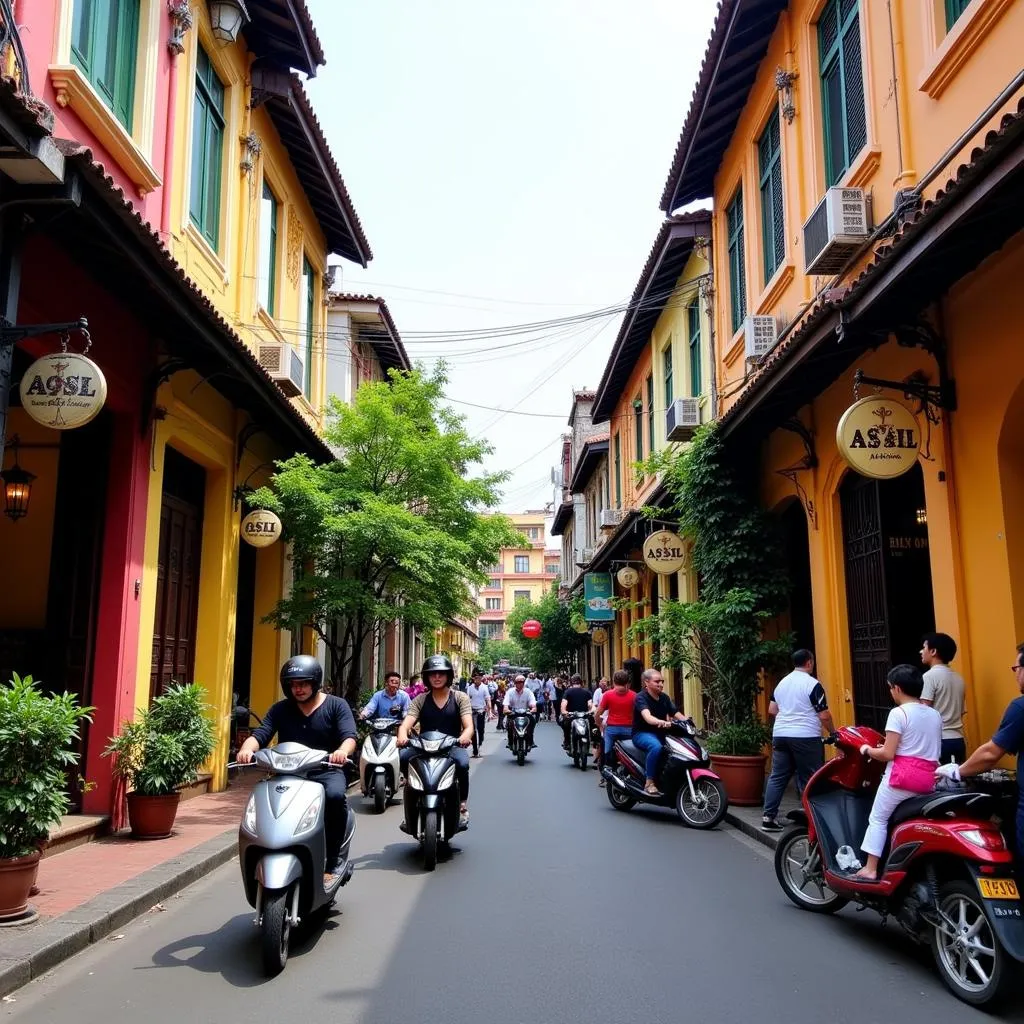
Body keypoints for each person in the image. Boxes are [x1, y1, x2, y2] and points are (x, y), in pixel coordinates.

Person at [238, 656, 357, 886]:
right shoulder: (281, 709)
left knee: (334, 796)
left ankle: (333, 860)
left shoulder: (336, 705)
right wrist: (246, 748)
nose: (298, 689)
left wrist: (342, 752)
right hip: (287, 773)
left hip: (325, 770)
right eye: (293, 684)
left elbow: (349, 737)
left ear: (315, 682)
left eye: (303, 683)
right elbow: (262, 733)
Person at [938, 642, 1024, 861]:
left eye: (1016, 669)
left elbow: (991, 753)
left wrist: (959, 771)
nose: (1015, 675)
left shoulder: (1020, 707)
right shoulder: (957, 678)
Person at [855, 664, 942, 880]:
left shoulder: (898, 713)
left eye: (890, 688)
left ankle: (870, 868)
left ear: (897, 688)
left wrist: (867, 749)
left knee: (878, 818)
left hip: (901, 779)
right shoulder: (934, 714)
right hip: (929, 780)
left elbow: (888, 753)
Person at [761, 650, 835, 832]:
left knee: (777, 776)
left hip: (781, 734)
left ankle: (768, 817)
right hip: (806, 736)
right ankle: (813, 819)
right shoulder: (812, 684)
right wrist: (834, 732)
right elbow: (824, 715)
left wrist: (788, 718)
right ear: (809, 663)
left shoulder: (781, 684)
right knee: (810, 777)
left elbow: (772, 709)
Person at [397, 654, 474, 828]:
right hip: (423, 747)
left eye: (441, 673)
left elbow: (468, 725)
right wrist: (402, 735)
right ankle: (412, 792)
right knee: (403, 757)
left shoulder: (460, 698)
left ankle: (462, 804)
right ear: (426, 677)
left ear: (448, 676)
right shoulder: (420, 699)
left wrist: (465, 736)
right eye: (433, 674)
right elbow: (406, 724)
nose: (437, 677)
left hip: (451, 746)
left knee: (462, 763)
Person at [631, 668, 690, 796]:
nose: (661, 684)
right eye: (657, 681)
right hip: (642, 733)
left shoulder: (664, 697)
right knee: (656, 747)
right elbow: (647, 717)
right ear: (646, 682)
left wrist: (687, 722)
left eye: (662, 681)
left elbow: (675, 713)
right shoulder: (641, 698)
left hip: (662, 733)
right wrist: (661, 722)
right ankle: (649, 782)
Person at [920, 632, 967, 765]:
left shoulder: (929, 677)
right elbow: (962, 712)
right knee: (955, 782)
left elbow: (923, 711)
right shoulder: (959, 678)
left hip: (939, 741)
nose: (921, 651)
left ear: (933, 651)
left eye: (924, 648)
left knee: (937, 783)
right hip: (958, 740)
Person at [598, 670, 635, 786]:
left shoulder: (608, 695)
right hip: (629, 730)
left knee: (607, 751)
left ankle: (607, 770)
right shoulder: (634, 695)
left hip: (612, 729)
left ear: (614, 681)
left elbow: (598, 713)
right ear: (627, 682)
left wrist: (599, 724)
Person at [504, 674, 537, 749]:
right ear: (515, 683)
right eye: (517, 682)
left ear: (524, 682)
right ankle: (510, 742)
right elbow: (505, 705)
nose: (520, 683)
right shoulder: (510, 692)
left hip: (526, 713)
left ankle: (530, 741)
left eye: (521, 682)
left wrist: (532, 709)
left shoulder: (528, 692)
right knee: (509, 723)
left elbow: (533, 705)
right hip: (513, 713)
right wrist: (507, 710)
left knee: (532, 720)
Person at [560, 673, 593, 749]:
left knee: (565, 725)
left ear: (571, 682)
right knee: (591, 724)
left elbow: (563, 705)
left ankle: (567, 741)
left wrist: (565, 712)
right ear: (581, 682)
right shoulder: (587, 692)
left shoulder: (568, 692)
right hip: (584, 716)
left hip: (572, 716)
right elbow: (590, 705)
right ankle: (592, 740)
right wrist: (590, 711)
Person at [466, 667, 492, 758]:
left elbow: (488, 699)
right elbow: (467, 700)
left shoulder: (484, 688)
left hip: (481, 711)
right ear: (474, 678)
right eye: (476, 677)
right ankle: (475, 750)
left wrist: (490, 712)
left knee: (481, 730)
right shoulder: (469, 688)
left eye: (479, 677)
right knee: (473, 731)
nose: (478, 679)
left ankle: (480, 743)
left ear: (481, 678)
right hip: (472, 711)